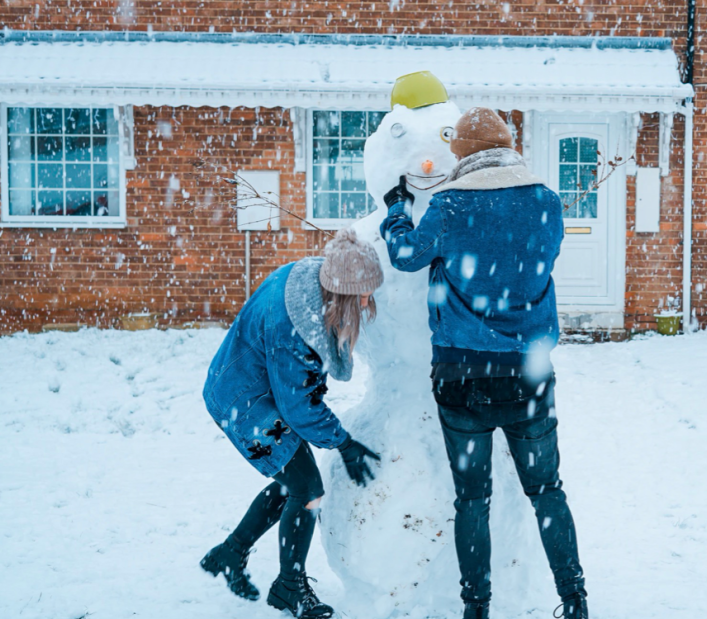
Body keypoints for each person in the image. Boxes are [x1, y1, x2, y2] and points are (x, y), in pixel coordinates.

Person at [380, 107, 588, 619]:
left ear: (466, 152)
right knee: (546, 491)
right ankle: (574, 598)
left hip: (462, 378)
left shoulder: (450, 205)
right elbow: (543, 258)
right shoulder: (545, 201)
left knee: (472, 500)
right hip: (528, 377)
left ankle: (477, 607)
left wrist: (396, 211)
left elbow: (406, 255)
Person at [200, 228, 384, 619]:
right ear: (343, 292)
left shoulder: (315, 284)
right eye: (364, 294)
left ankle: (229, 553)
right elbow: (298, 406)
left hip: (253, 385)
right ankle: (289, 587)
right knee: (308, 489)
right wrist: (344, 443)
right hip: (244, 400)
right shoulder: (294, 327)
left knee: (294, 484)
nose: (369, 300)